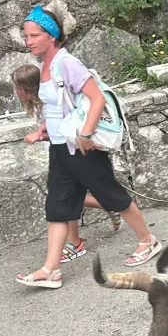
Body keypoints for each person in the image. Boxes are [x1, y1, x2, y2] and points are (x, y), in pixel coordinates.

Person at [15, 5, 162, 289]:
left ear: (52, 36)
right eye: (26, 36)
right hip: (60, 149)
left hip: (82, 147)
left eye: (34, 35)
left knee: (111, 195)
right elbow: (60, 108)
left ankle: (148, 240)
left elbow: (96, 99)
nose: (29, 41)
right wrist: (45, 130)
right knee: (57, 207)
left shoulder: (66, 63)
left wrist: (85, 133)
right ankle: (50, 270)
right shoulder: (45, 66)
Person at [11, 64, 123, 266]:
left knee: (65, 199)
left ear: (29, 88)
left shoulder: (51, 102)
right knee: (67, 198)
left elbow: (64, 128)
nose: (16, 92)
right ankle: (110, 208)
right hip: (60, 154)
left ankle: (76, 242)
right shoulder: (41, 104)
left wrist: (38, 135)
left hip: (71, 152)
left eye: (19, 88)